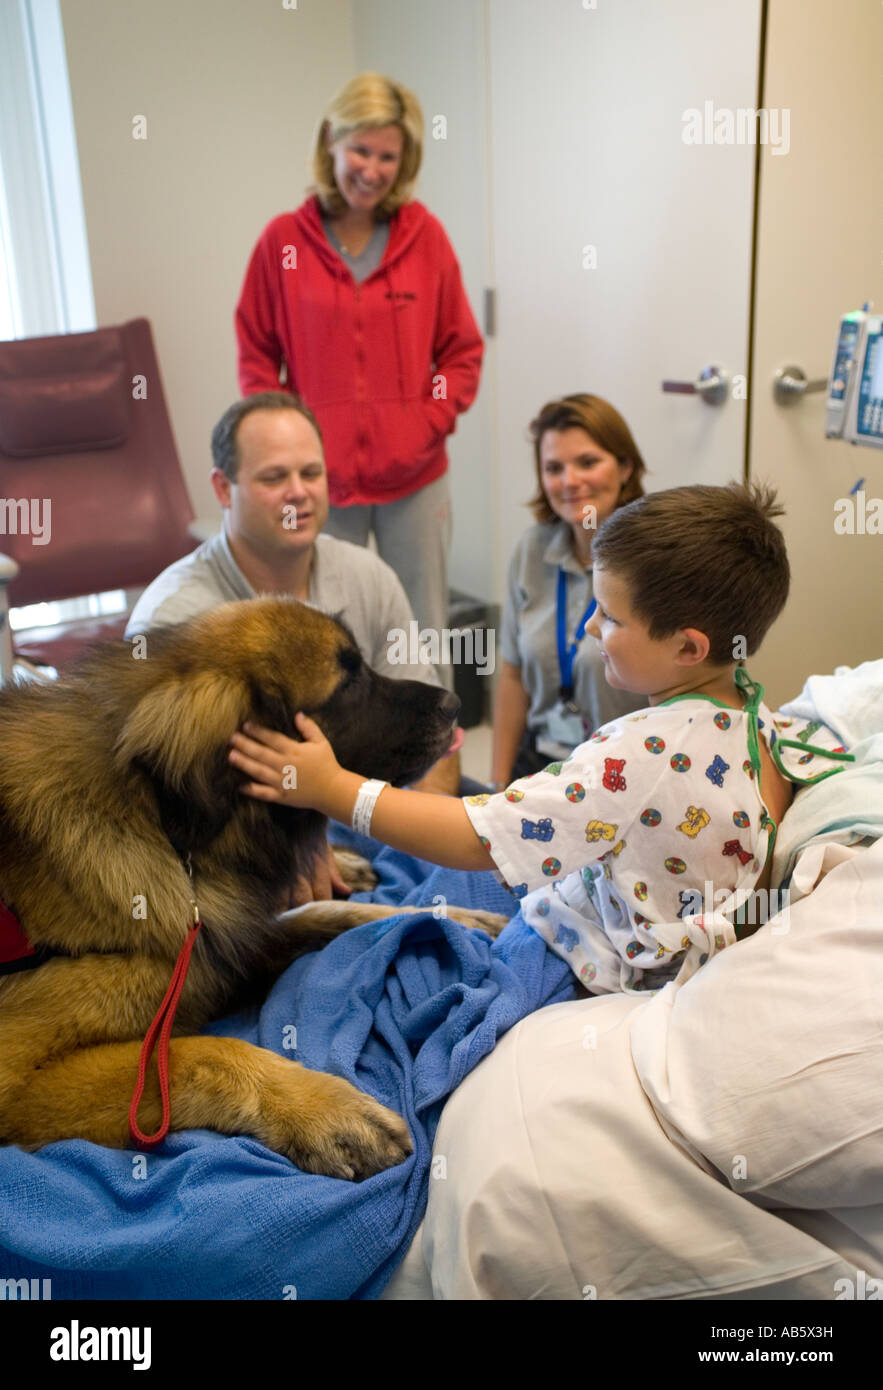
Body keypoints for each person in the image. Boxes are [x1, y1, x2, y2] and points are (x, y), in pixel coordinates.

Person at [228, 483, 853, 994]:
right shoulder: (749, 709)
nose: (590, 625)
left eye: (610, 615)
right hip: (645, 913)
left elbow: (478, 838)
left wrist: (335, 789)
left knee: (353, 973)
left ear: (689, 647)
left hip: (584, 966)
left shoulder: (641, 755)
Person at [126, 392, 463, 898]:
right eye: (273, 477)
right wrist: (303, 844)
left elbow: (437, 741)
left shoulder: (368, 576)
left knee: (500, 858)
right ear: (223, 487)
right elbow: (173, 815)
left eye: (311, 473)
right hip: (254, 855)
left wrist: (422, 844)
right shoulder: (173, 622)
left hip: (374, 811)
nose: (298, 493)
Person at [235, 72, 483, 679]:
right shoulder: (282, 242)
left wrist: (426, 421)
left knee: (419, 636)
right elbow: (257, 355)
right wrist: (292, 448)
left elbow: (461, 351)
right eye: (361, 151)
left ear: (406, 161)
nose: (372, 169)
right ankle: (332, 774)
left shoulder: (425, 238)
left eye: (388, 156)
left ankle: (432, 768)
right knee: (321, 638)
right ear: (331, 143)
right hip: (318, 484)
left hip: (416, 480)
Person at [492, 393, 648, 788]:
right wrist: (495, 790)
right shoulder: (532, 549)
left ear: (625, 466)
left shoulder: (656, 558)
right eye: (553, 468)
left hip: (627, 772)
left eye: (588, 462)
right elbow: (512, 676)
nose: (569, 482)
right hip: (541, 760)